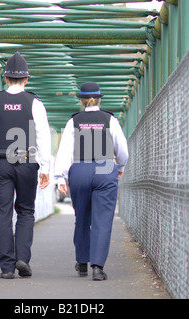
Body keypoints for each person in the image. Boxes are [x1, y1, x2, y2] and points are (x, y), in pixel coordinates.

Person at [0, 52, 51, 279]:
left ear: (6, 79)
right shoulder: (35, 103)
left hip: (1, 162)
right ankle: (22, 258)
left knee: (4, 214)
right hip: (27, 162)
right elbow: (43, 136)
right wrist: (45, 168)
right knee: (26, 211)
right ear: (26, 79)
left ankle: (7, 267)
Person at [54, 82, 129, 281]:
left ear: (81, 100)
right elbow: (122, 150)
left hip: (80, 168)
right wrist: (120, 167)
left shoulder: (74, 121)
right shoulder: (110, 119)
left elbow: (65, 151)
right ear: (99, 99)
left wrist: (60, 176)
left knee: (82, 217)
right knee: (102, 220)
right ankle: (97, 266)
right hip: (105, 168)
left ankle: (81, 261)